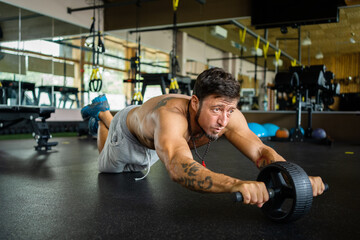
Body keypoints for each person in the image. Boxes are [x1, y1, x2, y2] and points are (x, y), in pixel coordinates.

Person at [81, 67, 326, 208]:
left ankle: (103, 115)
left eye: (230, 110)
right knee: (110, 166)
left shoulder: (228, 117)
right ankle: (103, 114)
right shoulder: (170, 117)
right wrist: (236, 184)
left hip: (158, 140)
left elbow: (261, 151)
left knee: (141, 165)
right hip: (127, 133)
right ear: (195, 103)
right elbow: (179, 166)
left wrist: (295, 178)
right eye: (217, 109)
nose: (224, 121)